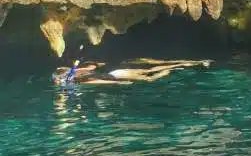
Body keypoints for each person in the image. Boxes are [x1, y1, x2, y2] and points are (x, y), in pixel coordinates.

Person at [52, 58, 210, 86]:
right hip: (117, 70)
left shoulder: (78, 81)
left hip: (117, 76)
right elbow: (93, 67)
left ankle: (172, 69)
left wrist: (118, 85)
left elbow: (99, 81)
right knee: (149, 70)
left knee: (150, 79)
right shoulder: (78, 72)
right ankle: (186, 63)